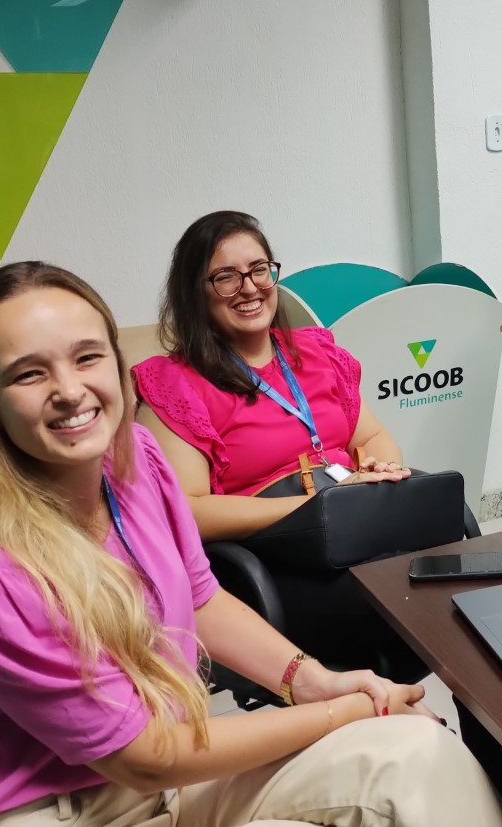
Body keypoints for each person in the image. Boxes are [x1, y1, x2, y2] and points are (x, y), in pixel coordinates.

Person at [0, 261, 502, 827]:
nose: (70, 390)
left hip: (177, 770)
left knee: (416, 748)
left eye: (87, 357)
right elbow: (147, 756)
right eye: (29, 374)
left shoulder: (138, 462)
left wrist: (317, 681)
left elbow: (200, 597)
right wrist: (347, 710)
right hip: (66, 807)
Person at [131, 211, 422, 674]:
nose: (249, 288)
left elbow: (371, 435)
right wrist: (313, 508)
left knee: (456, 576)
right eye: (226, 277)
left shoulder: (316, 351)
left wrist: (378, 469)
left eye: (259, 269)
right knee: (415, 597)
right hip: (276, 563)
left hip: (358, 530)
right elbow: (187, 511)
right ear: (196, 292)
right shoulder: (177, 385)